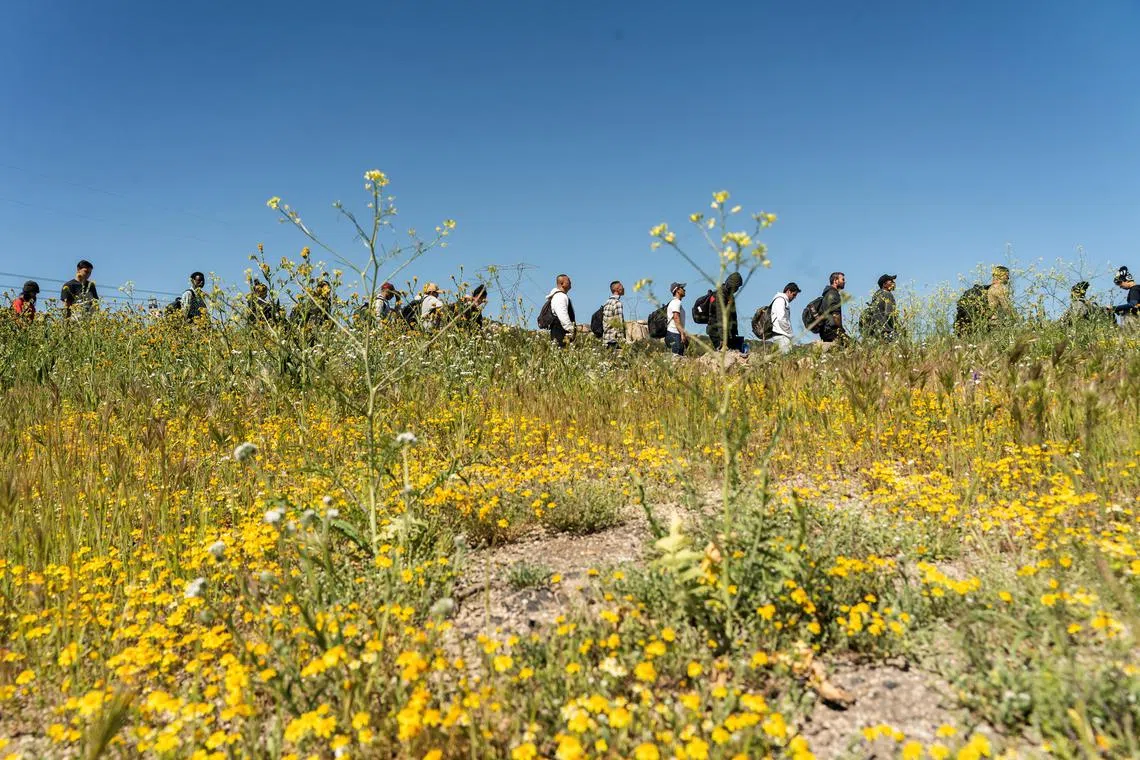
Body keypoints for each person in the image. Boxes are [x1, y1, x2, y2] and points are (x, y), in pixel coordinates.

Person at [707, 271, 744, 351]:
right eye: (736, 287)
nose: (737, 289)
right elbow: (720, 317)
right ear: (731, 285)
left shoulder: (730, 296)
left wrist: (734, 333)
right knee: (723, 356)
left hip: (727, 332)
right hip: (717, 332)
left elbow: (733, 316)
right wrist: (723, 339)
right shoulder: (720, 295)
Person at [862, 274, 900, 342]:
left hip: (876, 331)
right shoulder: (887, 294)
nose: (894, 283)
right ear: (884, 284)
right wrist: (898, 327)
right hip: (887, 332)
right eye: (891, 281)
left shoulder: (876, 295)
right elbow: (890, 314)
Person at [767, 282, 800, 353]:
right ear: (788, 291)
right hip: (782, 335)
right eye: (794, 295)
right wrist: (789, 332)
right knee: (786, 358)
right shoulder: (780, 300)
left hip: (781, 334)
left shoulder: (782, 300)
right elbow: (781, 318)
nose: (794, 298)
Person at [819, 272, 848, 347]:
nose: (845, 281)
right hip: (832, 332)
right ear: (836, 280)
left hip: (826, 332)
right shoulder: (833, 293)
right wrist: (841, 331)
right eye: (843, 279)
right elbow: (835, 315)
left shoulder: (827, 293)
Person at [547, 274, 576, 347]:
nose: (570, 282)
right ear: (562, 284)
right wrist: (571, 329)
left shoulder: (560, 296)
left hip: (561, 332)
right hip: (561, 333)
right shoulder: (560, 297)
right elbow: (563, 316)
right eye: (568, 280)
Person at [665, 282, 688, 356]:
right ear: (677, 290)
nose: (684, 290)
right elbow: (676, 318)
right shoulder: (676, 302)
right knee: (677, 360)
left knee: (677, 359)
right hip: (674, 334)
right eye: (682, 288)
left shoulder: (674, 302)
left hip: (673, 334)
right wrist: (682, 334)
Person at [601, 281, 625, 348]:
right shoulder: (617, 303)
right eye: (622, 287)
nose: (623, 288)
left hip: (606, 339)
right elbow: (619, 325)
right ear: (617, 289)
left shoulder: (607, 302)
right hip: (614, 341)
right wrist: (622, 341)